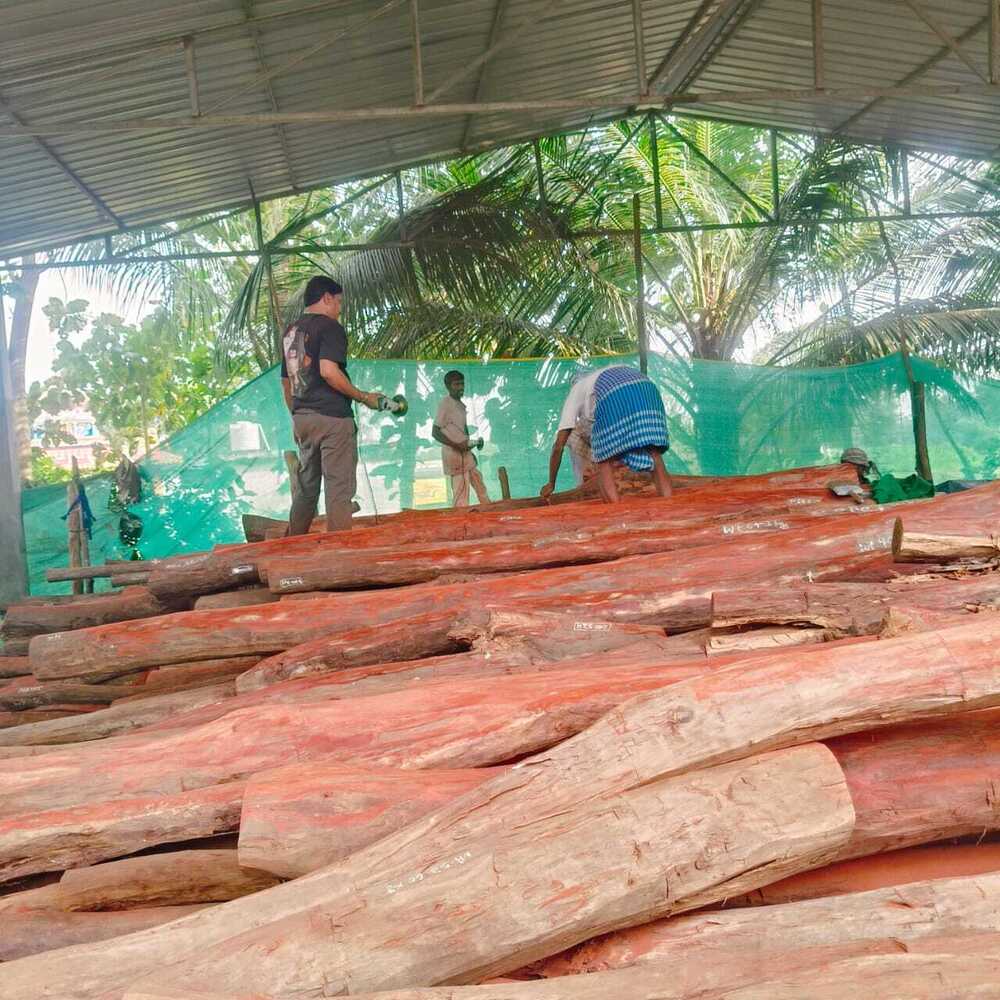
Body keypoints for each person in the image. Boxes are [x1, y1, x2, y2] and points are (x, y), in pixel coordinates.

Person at [280, 275, 382, 534]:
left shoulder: (291, 331)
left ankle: (293, 545)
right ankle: (338, 554)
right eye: (338, 303)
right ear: (326, 298)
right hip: (332, 420)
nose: (339, 309)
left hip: (303, 418)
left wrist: (296, 416)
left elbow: (286, 382)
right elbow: (328, 371)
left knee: (306, 488)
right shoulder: (329, 327)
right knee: (338, 490)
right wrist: (363, 396)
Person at [541, 363, 672, 503]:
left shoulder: (575, 392)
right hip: (647, 388)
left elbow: (558, 445)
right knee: (653, 450)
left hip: (614, 393)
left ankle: (614, 509)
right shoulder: (602, 374)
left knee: (603, 458)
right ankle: (668, 502)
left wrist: (551, 482)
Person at [432, 369, 491, 507]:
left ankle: (489, 509)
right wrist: (456, 445)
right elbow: (435, 432)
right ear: (448, 386)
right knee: (461, 491)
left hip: (464, 453)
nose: (461, 388)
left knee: (478, 481)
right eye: (456, 384)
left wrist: (470, 451)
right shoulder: (445, 404)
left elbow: (462, 431)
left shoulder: (459, 405)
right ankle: (462, 521)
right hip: (454, 455)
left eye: (462, 384)